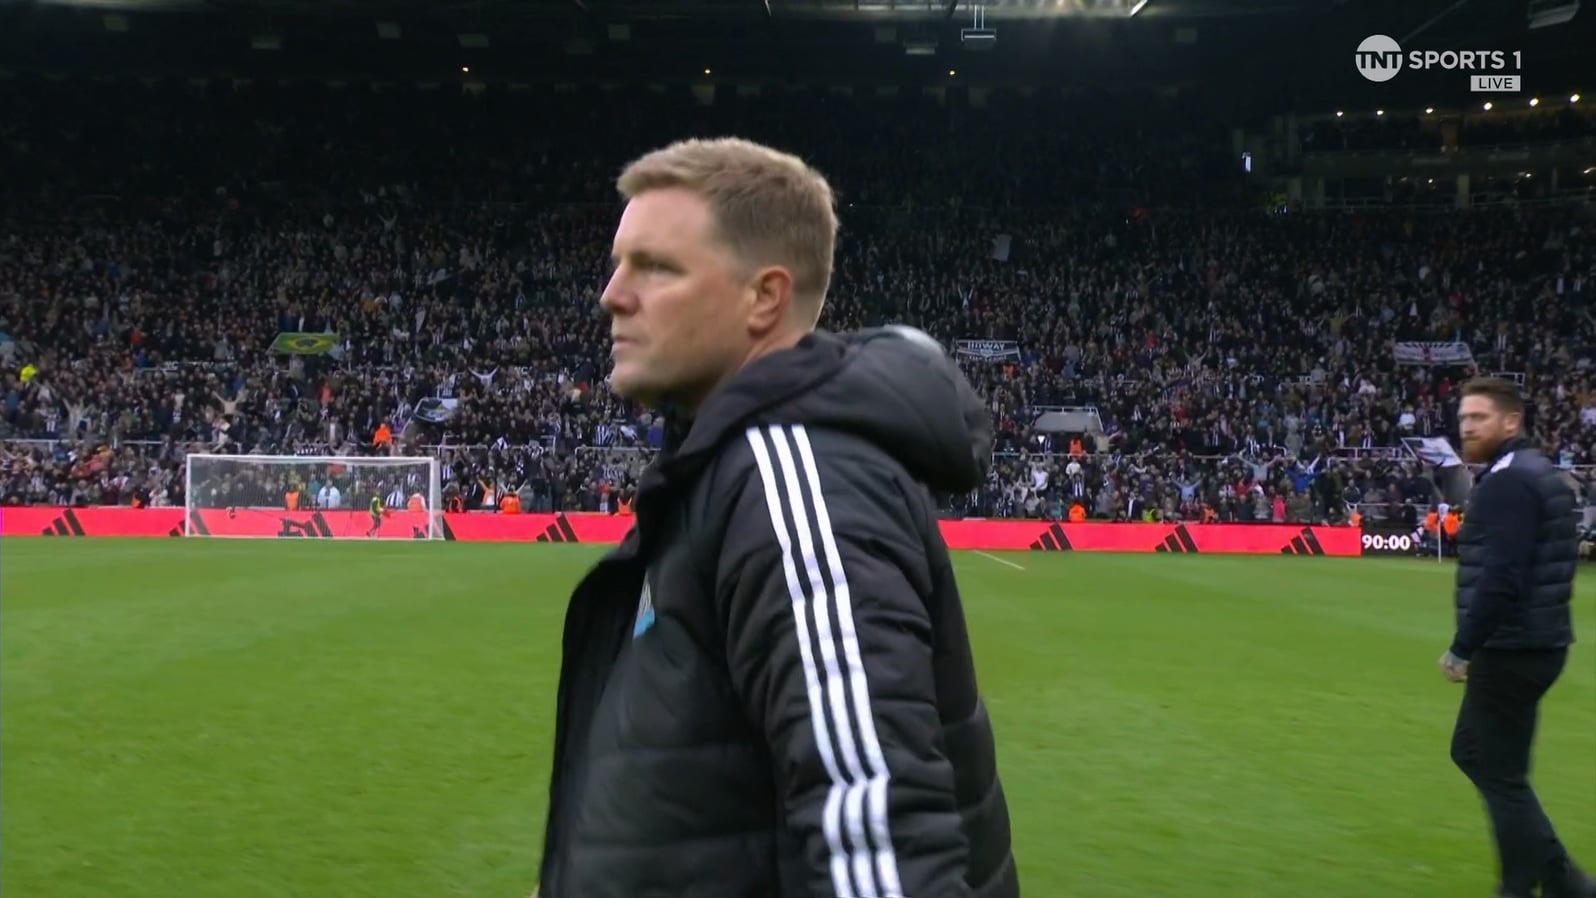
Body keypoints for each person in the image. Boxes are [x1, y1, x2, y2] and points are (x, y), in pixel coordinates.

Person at [534, 138, 1018, 898]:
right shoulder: (719, 470)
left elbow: (880, 849)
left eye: (655, 267)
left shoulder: (796, 478)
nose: (611, 294)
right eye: (619, 263)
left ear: (764, 297)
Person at [1441, 377, 1590, 898]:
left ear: (1511, 421)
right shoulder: (1537, 472)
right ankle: (1539, 880)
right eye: (1463, 418)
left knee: (1487, 763)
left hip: (1512, 646)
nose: (1467, 427)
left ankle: (1555, 880)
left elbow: (1502, 576)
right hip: (1540, 641)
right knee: (1493, 762)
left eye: (1479, 417)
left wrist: (1463, 646)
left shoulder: (1509, 481)